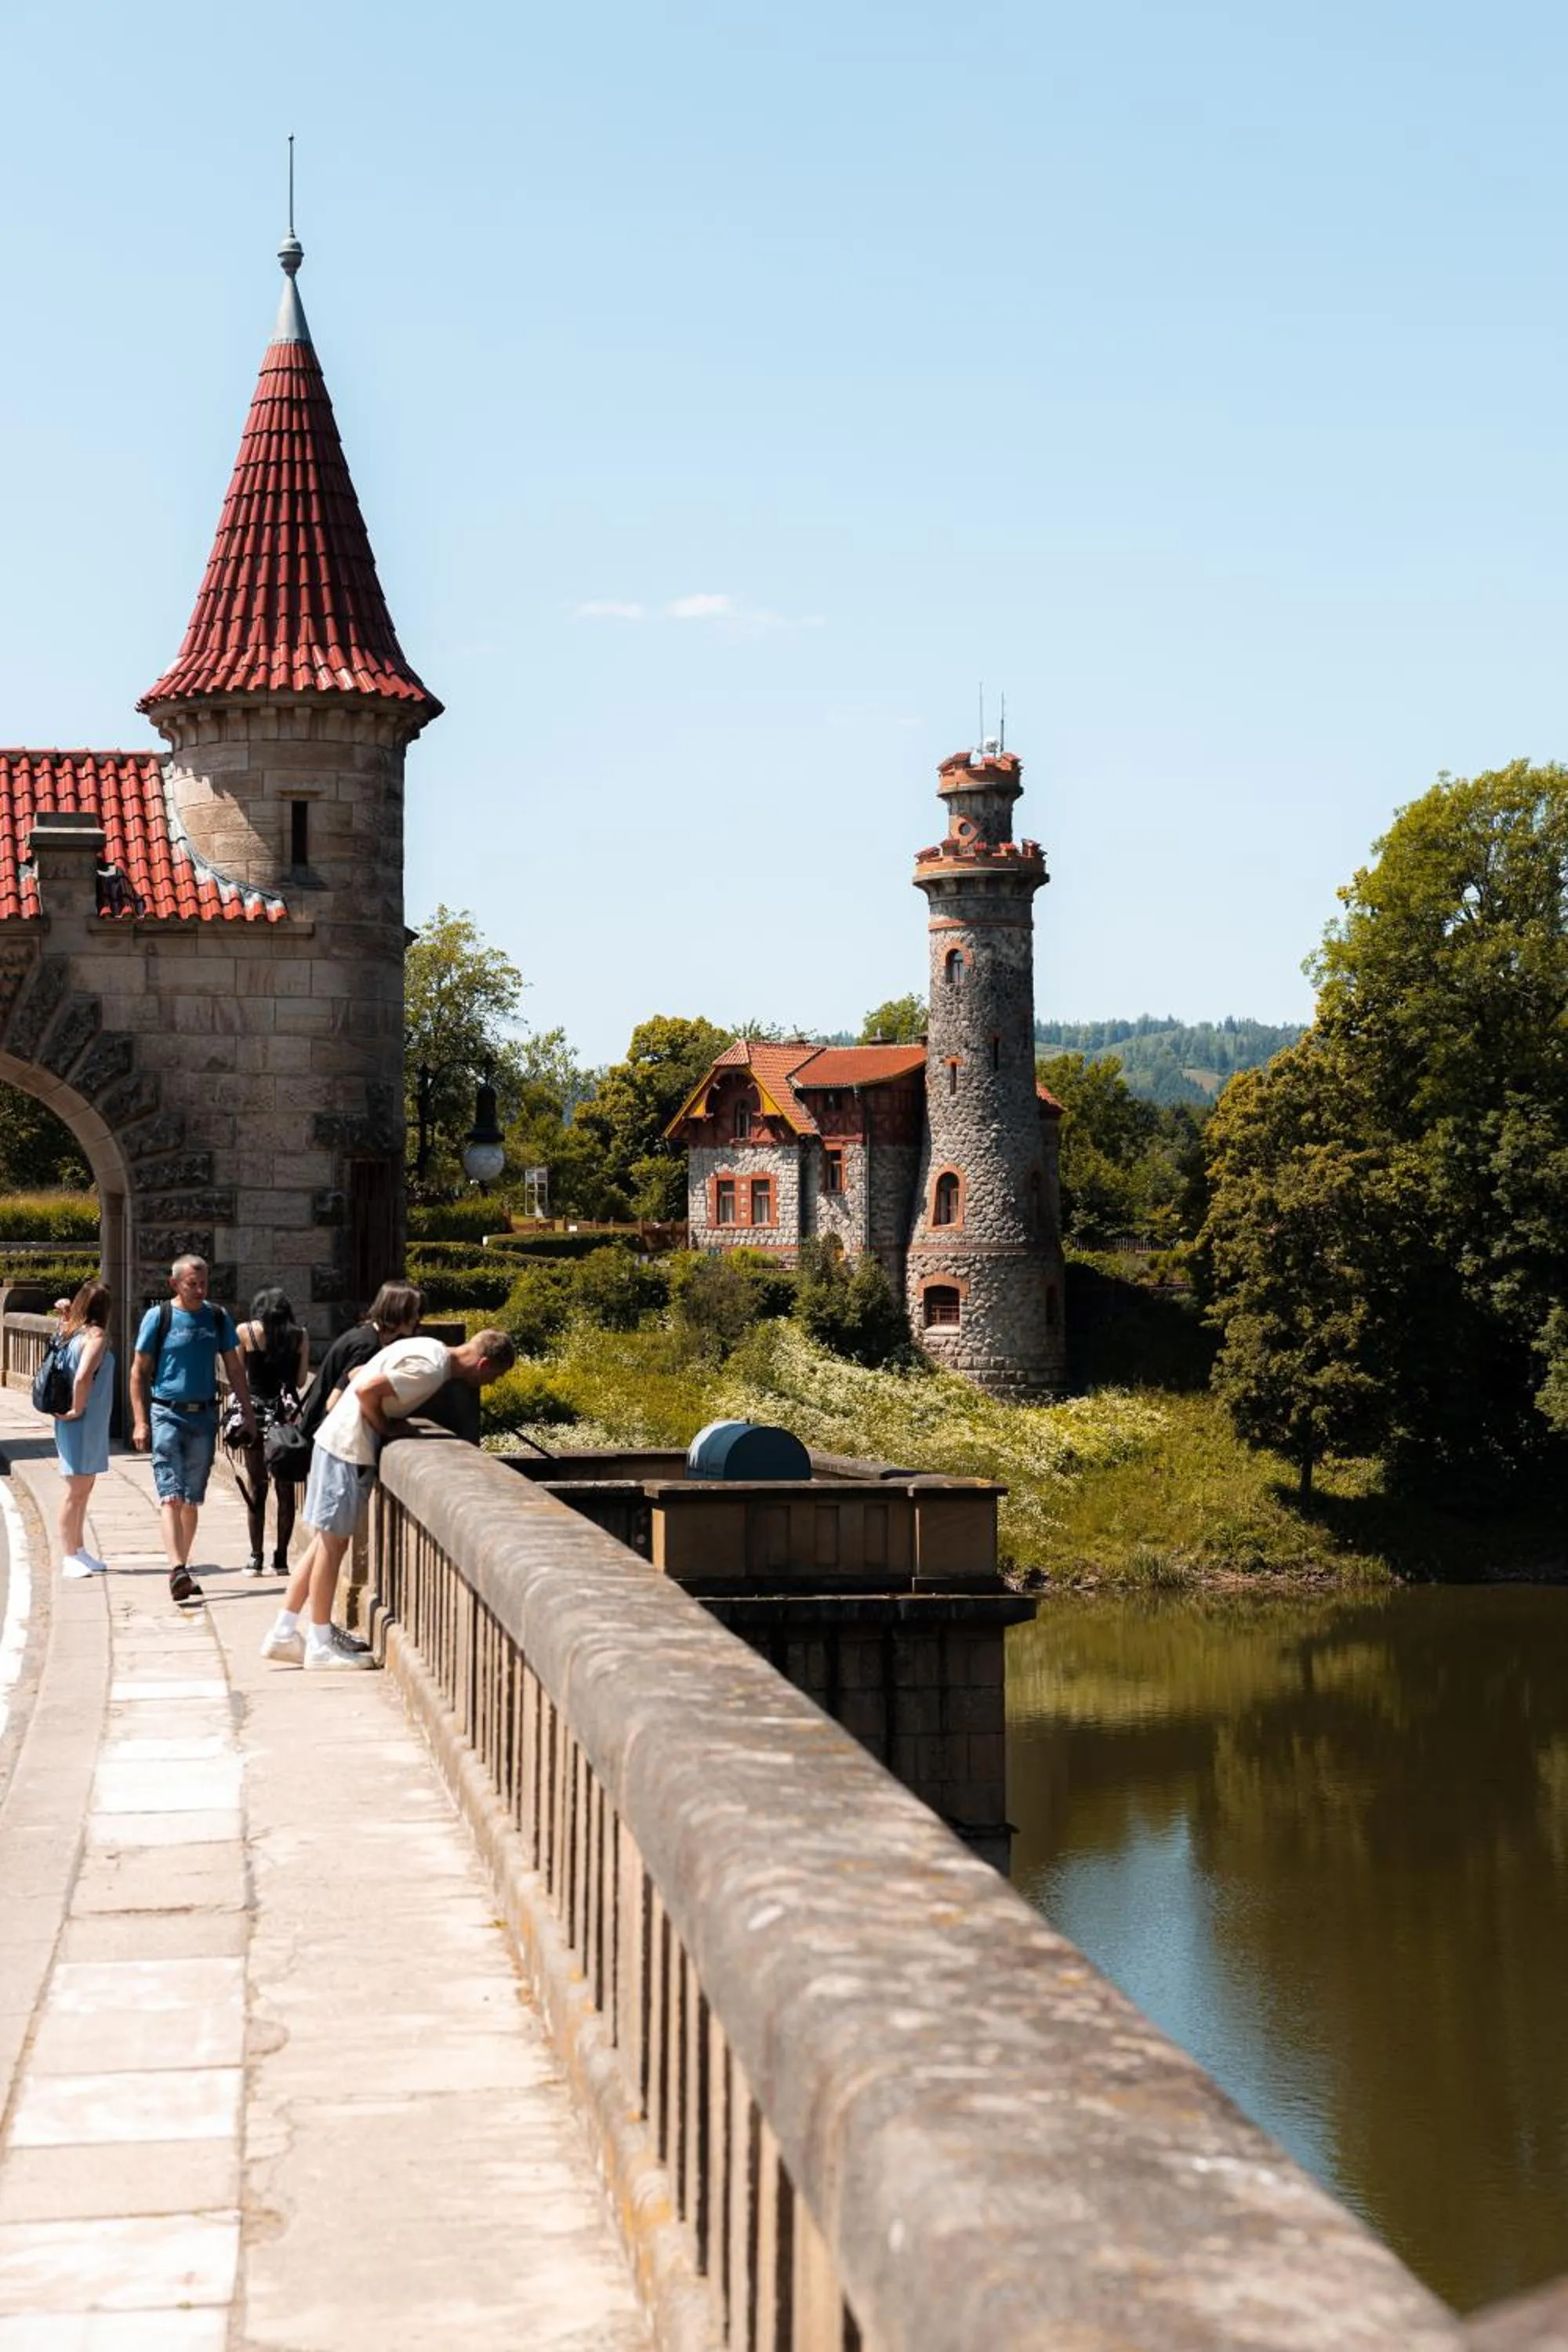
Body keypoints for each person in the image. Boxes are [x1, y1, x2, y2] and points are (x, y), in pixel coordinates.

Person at [261, 1325, 515, 1671]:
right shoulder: (431, 1369)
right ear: (484, 1365)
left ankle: (283, 1632)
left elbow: (362, 1374)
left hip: (334, 1441)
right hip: (347, 1449)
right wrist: (387, 1428)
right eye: (495, 1377)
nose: (491, 1384)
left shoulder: (429, 1347)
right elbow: (366, 1388)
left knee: (324, 1543)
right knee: (334, 1546)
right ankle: (319, 1645)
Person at [131, 1254, 256, 1606]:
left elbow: (234, 1369)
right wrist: (140, 1420)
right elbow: (138, 1371)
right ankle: (176, 1569)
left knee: (190, 1499)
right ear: (174, 1284)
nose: (200, 1290)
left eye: (204, 1284)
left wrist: (247, 1412)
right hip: (166, 1414)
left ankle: (181, 1568)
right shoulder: (159, 1317)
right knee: (170, 1494)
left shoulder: (216, 1317)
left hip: (204, 1417)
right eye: (192, 1284)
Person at [232, 1287, 310, 1577]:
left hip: (256, 1415)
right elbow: (301, 1379)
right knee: (285, 1487)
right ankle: (281, 1560)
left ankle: (255, 1558)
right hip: (285, 1417)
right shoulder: (299, 1336)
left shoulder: (245, 1332)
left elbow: (238, 1373)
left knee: (257, 1484)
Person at [53, 1279, 114, 1579]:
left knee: (84, 1488)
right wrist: (77, 1409)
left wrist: (66, 1313)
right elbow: (82, 1376)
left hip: (88, 1424)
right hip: (82, 1421)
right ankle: (68, 1556)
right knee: (76, 1491)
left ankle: (78, 1549)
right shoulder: (97, 1337)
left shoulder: (71, 1333)